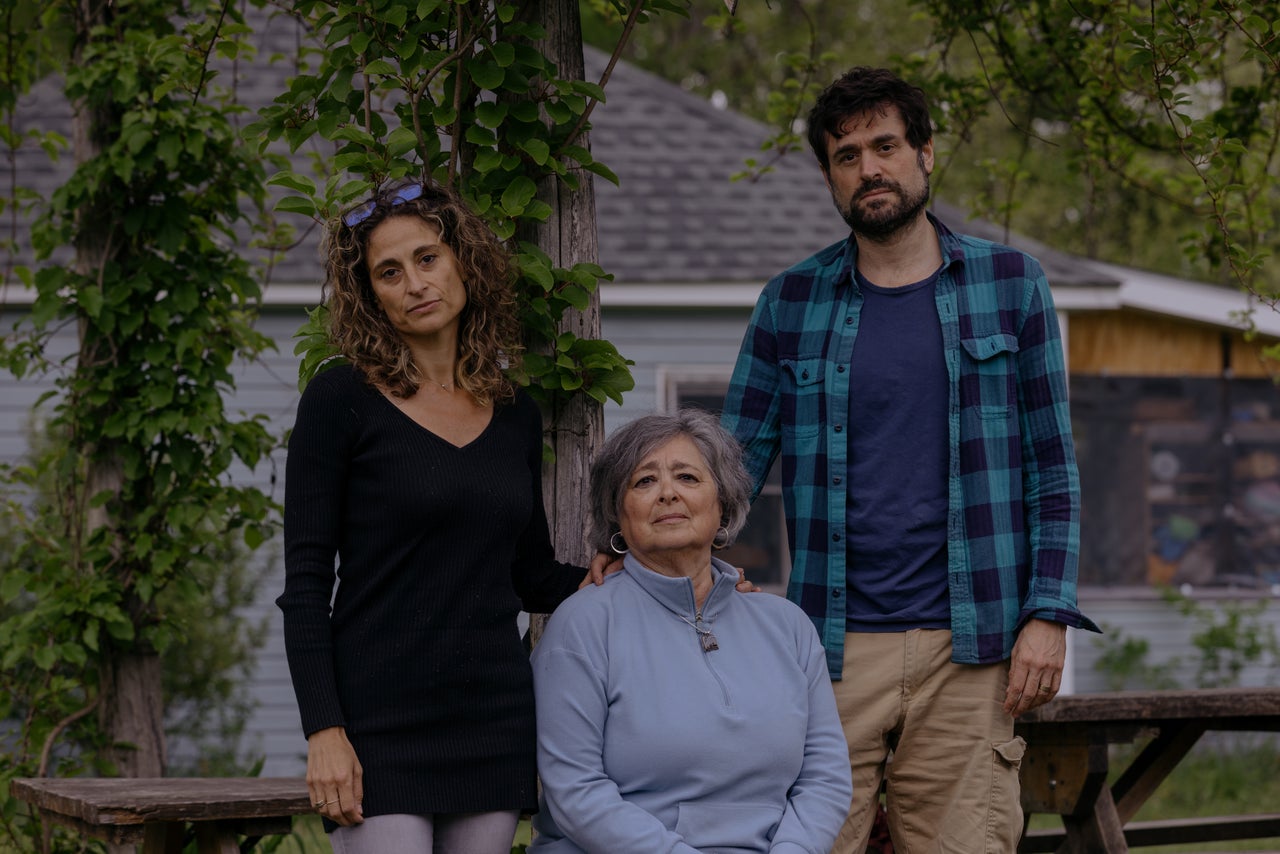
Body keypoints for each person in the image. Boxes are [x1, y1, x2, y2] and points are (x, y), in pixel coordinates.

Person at [720, 67, 1100, 853]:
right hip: (829, 649)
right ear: (830, 175)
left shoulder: (1011, 286)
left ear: (927, 153)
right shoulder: (789, 303)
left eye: (885, 146)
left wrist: (1049, 613)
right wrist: (639, 555)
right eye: (847, 155)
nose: (869, 169)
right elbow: (731, 464)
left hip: (975, 648)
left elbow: (1052, 470)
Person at [276, 180, 588, 853]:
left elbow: (531, 575)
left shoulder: (513, 413)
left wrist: (637, 569)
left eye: (427, 258)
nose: (415, 283)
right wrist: (324, 730)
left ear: (462, 264)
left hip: (490, 722)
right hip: (376, 726)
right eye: (389, 271)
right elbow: (304, 586)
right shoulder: (340, 399)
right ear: (370, 295)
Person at [528, 409, 853, 854]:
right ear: (617, 516)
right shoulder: (582, 625)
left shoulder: (786, 625)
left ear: (723, 504)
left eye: (687, 477)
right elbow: (575, 789)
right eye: (644, 482)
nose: (667, 494)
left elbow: (825, 776)